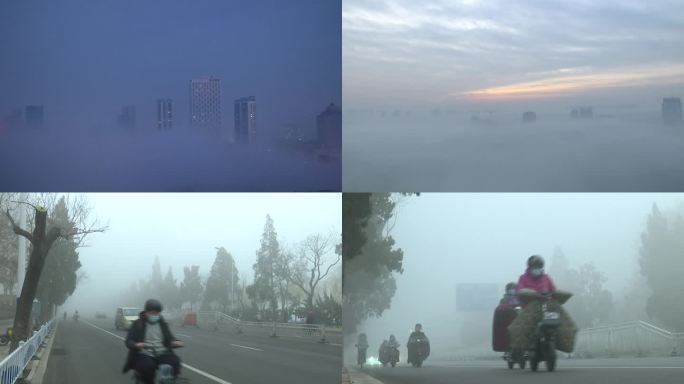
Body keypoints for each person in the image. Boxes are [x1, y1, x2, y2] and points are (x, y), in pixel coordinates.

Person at [122, 299, 183, 384]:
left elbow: (169, 338)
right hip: (144, 353)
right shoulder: (138, 323)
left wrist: (176, 342)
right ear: (146, 312)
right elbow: (128, 341)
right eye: (152, 313)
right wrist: (136, 345)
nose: (155, 315)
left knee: (175, 361)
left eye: (157, 313)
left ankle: (168, 380)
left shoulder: (162, 324)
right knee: (148, 367)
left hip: (162, 352)